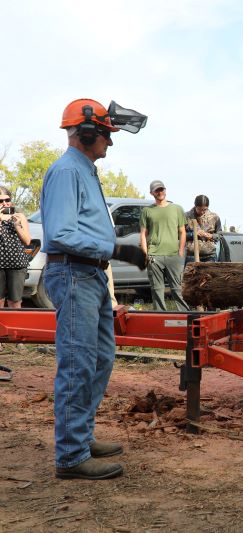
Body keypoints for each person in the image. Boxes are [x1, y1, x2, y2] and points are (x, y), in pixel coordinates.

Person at [41, 98, 147, 480]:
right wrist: (116, 249)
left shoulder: (85, 170)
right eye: (106, 135)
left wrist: (111, 251)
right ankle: (71, 456)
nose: (110, 142)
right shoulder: (67, 171)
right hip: (74, 273)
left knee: (101, 357)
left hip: (91, 274)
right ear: (87, 133)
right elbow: (62, 233)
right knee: (78, 362)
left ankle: (81, 437)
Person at [140, 180, 190, 311]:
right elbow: (143, 234)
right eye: (157, 190)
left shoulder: (177, 209)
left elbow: (182, 232)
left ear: (165, 190)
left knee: (177, 289)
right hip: (154, 255)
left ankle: (185, 315)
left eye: (161, 189)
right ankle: (159, 317)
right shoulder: (147, 211)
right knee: (157, 289)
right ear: (151, 193)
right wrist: (145, 254)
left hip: (173, 255)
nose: (160, 192)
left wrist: (180, 251)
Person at [0, 186, 31, 308]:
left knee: (15, 301)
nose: (5, 203)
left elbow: (27, 241)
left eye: (7, 200)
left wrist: (17, 226)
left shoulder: (19, 216)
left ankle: (14, 321)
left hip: (16, 264)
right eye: (1, 201)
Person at [184, 195, 221, 263]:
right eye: (199, 209)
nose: (202, 212)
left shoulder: (214, 217)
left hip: (209, 256)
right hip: (191, 255)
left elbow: (220, 235)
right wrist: (193, 234)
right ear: (195, 206)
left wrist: (211, 236)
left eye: (204, 210)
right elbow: (179, 235)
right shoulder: (186, 216)